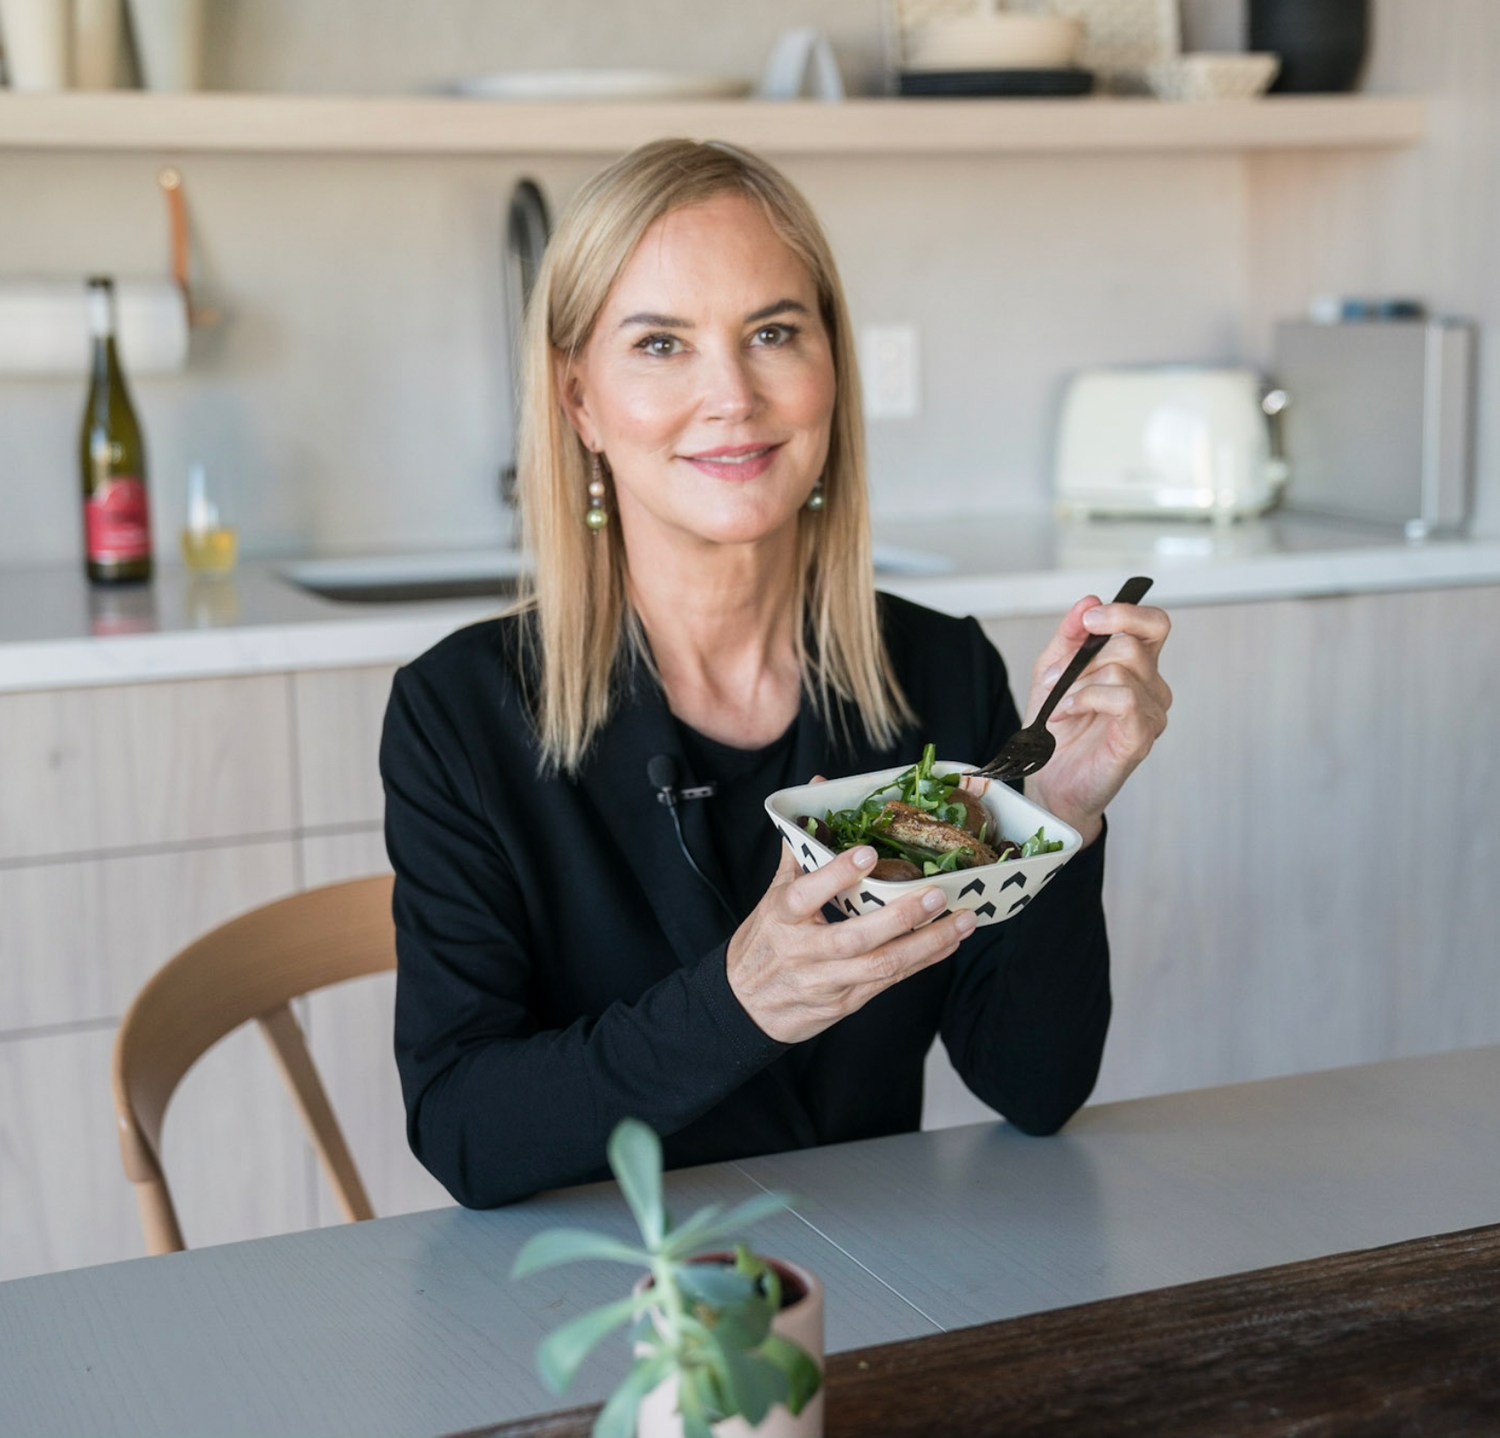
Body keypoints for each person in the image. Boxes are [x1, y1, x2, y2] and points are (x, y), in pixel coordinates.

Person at [380, 139, 1171, 1208]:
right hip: (603, 1298)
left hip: (885, 1278)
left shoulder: (938, 671)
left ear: (829, 370)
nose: (733, 396)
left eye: (773, 333)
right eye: (662, 343)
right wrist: (743, 1000)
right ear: (579, 401)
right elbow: (466, 1128)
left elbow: (1034, 1086)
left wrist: (1061, 820)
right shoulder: (458, 715)